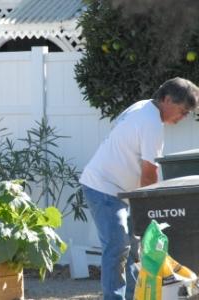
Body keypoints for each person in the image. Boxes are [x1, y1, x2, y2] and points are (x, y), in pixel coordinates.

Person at [79, 77, 199, 300]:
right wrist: (151, 210)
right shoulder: (151, 123)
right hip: (103, 187)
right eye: (183, 111)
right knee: (117, 247)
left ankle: (135, 295)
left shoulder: (144, 107)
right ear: (167, 99)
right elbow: (149, 172)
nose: (183, 118)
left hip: (117, 191)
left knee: (133, 249)